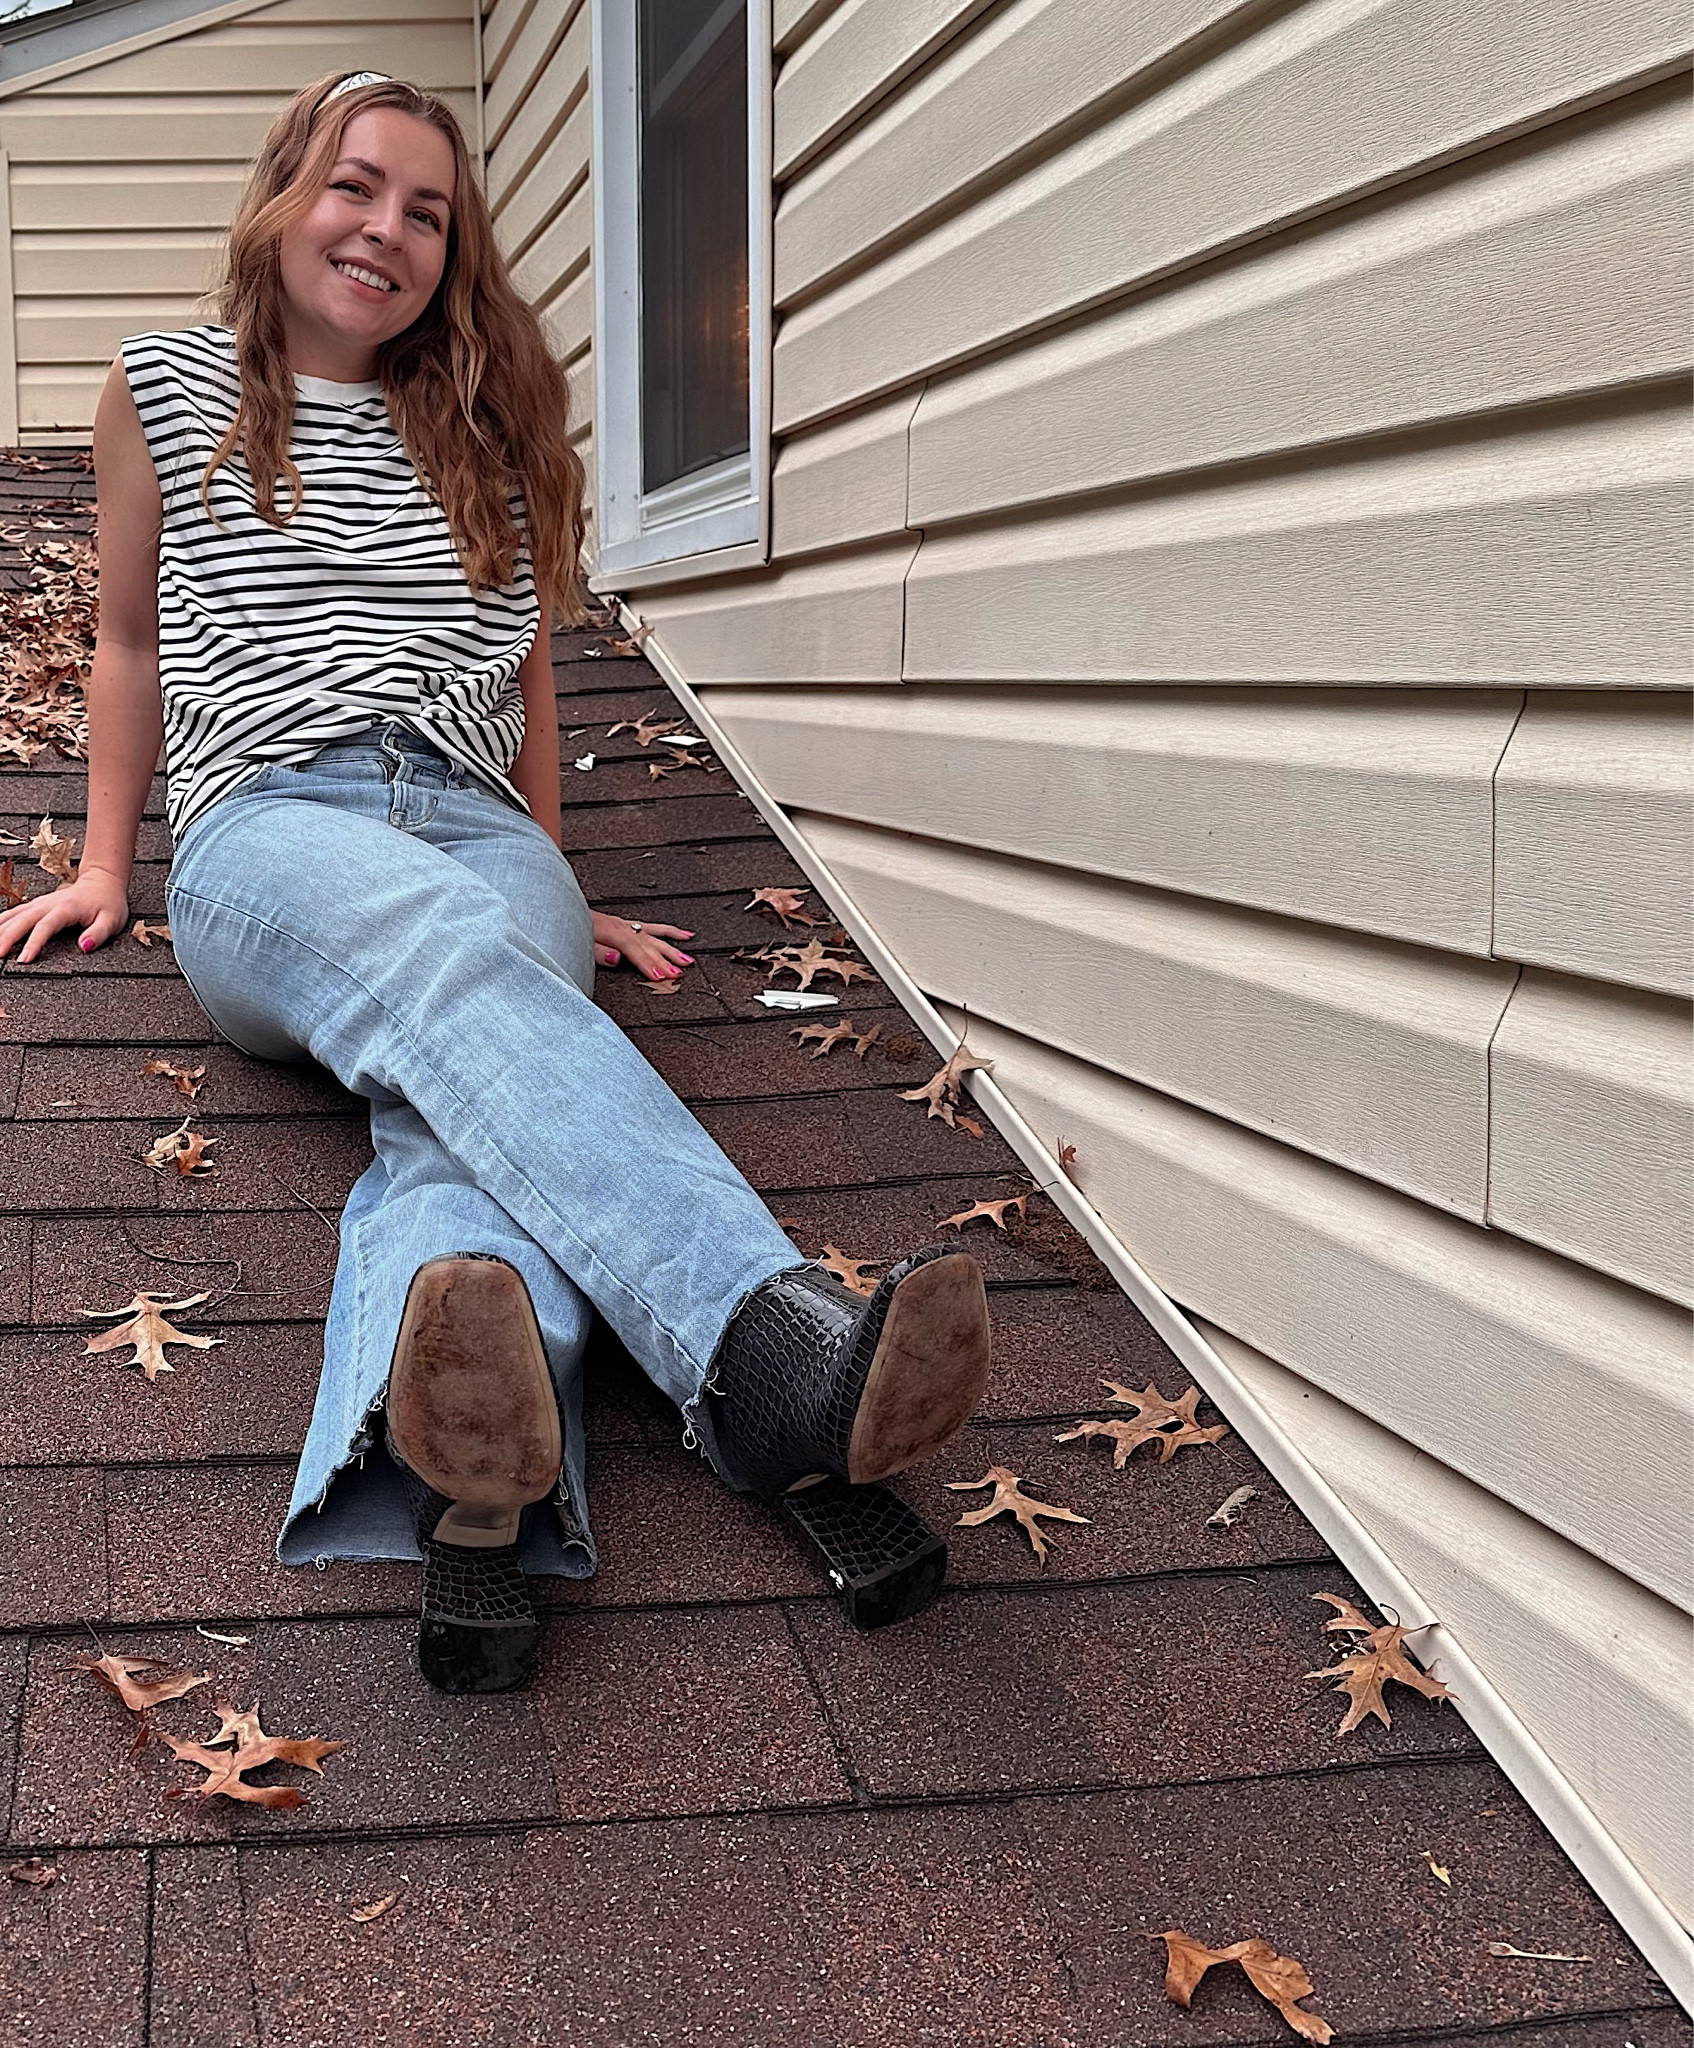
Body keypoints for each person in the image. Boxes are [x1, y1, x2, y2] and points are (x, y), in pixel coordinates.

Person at [0, 73, 991, 1695]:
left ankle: (472, 1451)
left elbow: (525, 690)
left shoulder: (487, 430)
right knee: (449, 972)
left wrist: (562, 891)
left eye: (427, 211)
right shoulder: (166, 387)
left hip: (474, 830)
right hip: (273, 832)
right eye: (355, 187)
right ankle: (759, 1350)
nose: (385, 228)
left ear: (456, 256)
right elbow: (122, 642)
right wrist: (108, 862)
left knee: (453, 1094)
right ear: (281, 196)